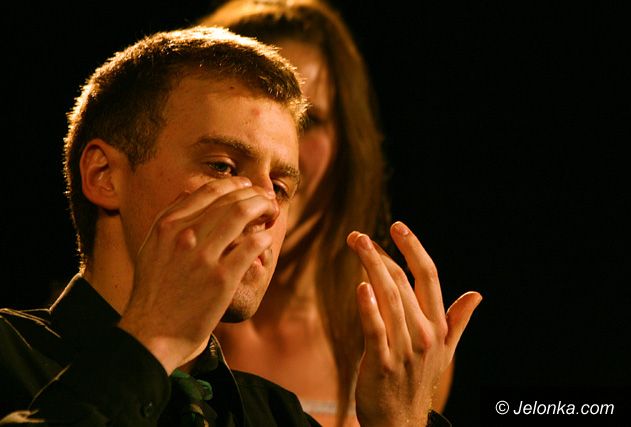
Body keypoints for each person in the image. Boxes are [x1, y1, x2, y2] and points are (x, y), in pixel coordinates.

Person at [0, 25, 481, 426]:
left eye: (281, 186)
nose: (266, 207)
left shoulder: (277, 415)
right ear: (105, 176)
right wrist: (154, 339)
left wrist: (401, 421)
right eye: (223, 167)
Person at [198, 1, 456, 425]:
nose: (283, 154)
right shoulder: (161, 310)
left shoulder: (400, 336)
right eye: (255, 119)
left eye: (309, 120)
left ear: (348, 141)